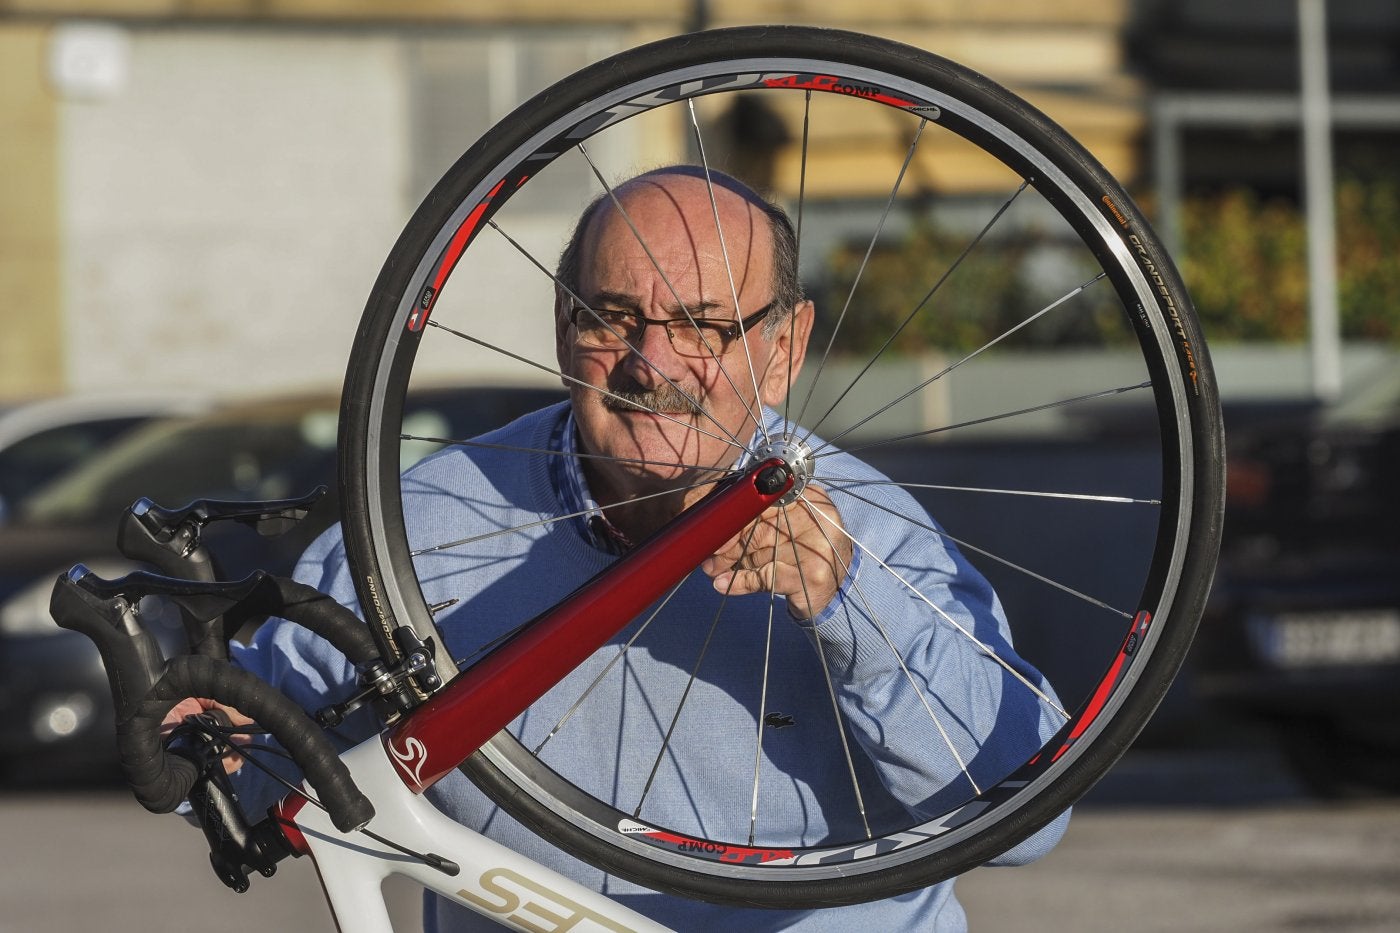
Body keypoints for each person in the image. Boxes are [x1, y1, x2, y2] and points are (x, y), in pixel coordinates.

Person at [181, 165, 1067, 931]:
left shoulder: (869, 528)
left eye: (703, 326)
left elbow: (1027, 823)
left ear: (784, 346)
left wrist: (849, 612)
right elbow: (264, 757)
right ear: (563, 327)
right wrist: (210, 746)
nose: (654, 362)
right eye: (614, 317)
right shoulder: (423, 523)